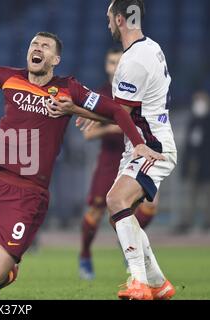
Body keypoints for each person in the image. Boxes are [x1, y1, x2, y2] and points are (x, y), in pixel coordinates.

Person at [0, 12, 162, 300]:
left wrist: (137, 143)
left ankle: (0, 275)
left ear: (56, 59)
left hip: (29, 194)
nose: (37, 49)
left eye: (45, 47)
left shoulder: (68, 90)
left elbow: (117, 110)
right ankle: (0, 271)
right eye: (34, 44)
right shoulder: (11, 78)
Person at [47, 0, 177, 300]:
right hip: (142, 144)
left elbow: (119, 114)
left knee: (116, 199)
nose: (106, 24)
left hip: (152, 146)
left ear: (120, 19)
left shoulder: (131, 62)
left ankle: (139, 283)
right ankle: (158, 282)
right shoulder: (152, 47)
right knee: (119, 211)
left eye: (108, 18)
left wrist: (73, 107)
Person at [78, 48, 159, 280]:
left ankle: (128, 243)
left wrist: (114, 123)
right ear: (107, 66)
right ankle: (84, 255)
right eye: (111, 62)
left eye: (119, 62)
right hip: (109, 158)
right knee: (95, 211)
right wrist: (124, 124)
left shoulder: (138, 91)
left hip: (136, 157)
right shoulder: (101, 95)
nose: (115, 66)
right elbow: (88, 134)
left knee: (148, 207)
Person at [175, 91, 210, 233]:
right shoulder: (193, 120)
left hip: (207, 163)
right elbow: (189, 146)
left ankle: (207, 221)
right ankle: (187, 221)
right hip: (194, 163)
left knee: (207, 193)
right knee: (190, 193)